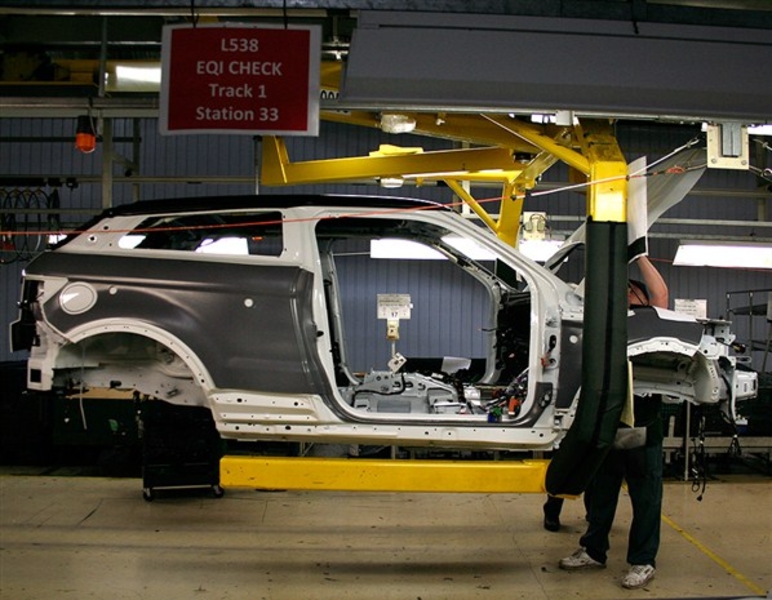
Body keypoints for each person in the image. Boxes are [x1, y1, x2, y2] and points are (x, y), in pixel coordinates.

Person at [558, 255, 668, 590]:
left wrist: (639, 255)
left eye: (632, 291)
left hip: (641, 422)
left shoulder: (652, 320)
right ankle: (593, 550)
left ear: (643, 299)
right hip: (608, 420)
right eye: (621, 291)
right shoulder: (605, 323)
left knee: (645, 494)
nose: (626, 295)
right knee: (600, 490)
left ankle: (643, 560)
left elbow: (661, 294)